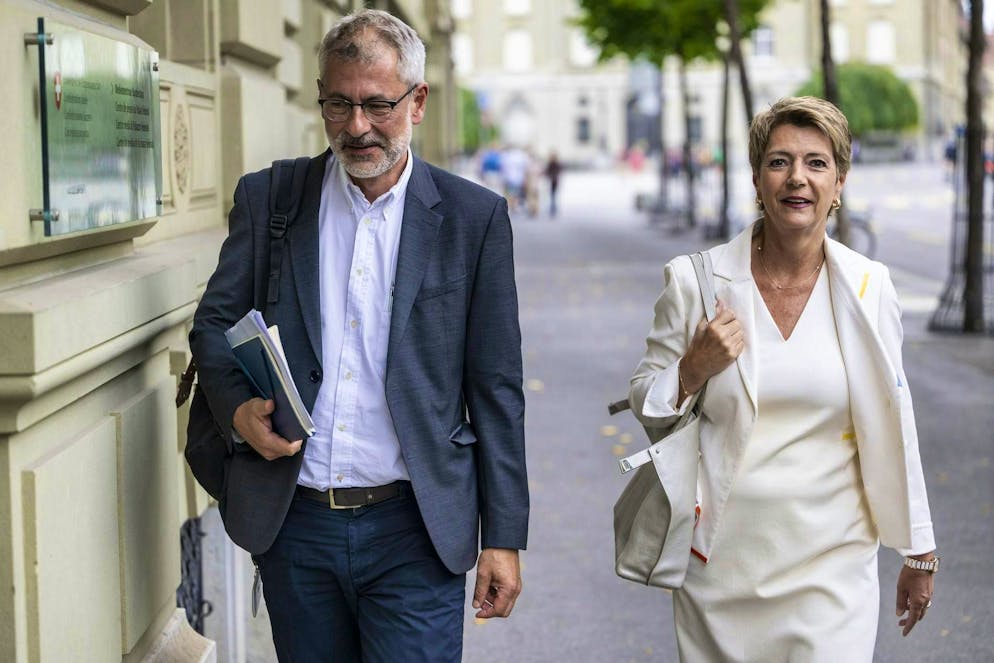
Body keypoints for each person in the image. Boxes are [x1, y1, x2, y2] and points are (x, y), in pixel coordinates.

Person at [190, 10, 528, 662]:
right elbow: (213, 324)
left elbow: (497, 387)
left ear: (417, 101)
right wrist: (236, 409)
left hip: (415, 530)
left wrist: (504, 535)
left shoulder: (473, 218)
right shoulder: (271, 199)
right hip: (298, 525)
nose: (356, 127)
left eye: (377, 105)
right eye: (338, 104)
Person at [628, 96, 937, 661]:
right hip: (720, 569)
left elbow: (896, 418)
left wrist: (920, 549)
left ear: (839, 183)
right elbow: (645, 403)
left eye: (817, 163)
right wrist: (693, 368)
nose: (798, 178)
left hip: (833, 566)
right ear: (756, 179)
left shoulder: (869, 286)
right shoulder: (696, 282)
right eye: (779, 162)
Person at [544, 151, 562, 217]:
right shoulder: (553, 164)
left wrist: (550, 176)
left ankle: (553, 208)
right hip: (553, 181)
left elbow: (549, 172)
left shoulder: (554, 164)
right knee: (552, 195)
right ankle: (553, 207)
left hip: (553, 181)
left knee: (553, 195)